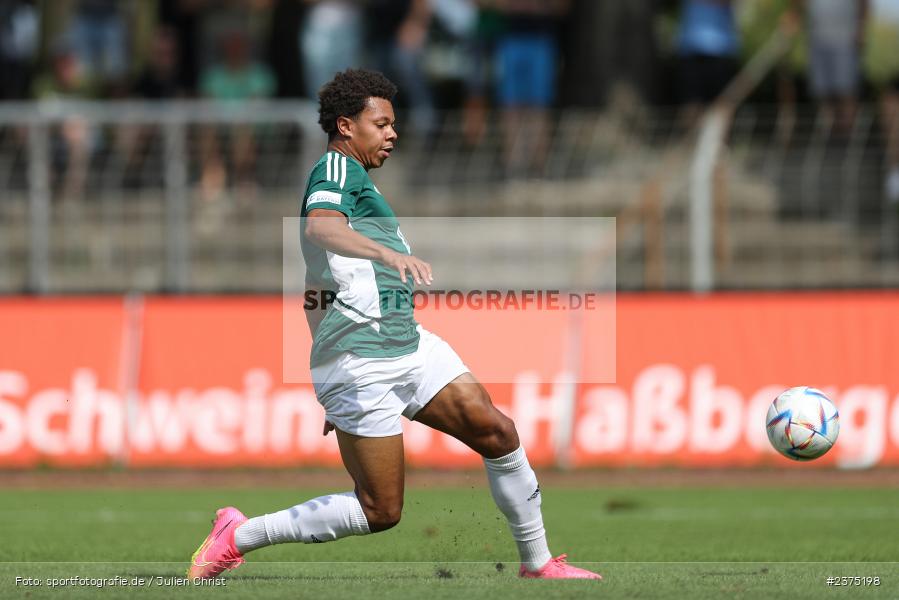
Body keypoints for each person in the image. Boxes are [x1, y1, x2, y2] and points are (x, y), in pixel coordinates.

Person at [186, 68, 601, 581]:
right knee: (380, 511)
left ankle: (538, 564)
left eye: (392, 124)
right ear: (345, 126)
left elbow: (315, 292)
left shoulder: (359, 182)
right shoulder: (334, 172)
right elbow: (320, 228)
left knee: (498, 431)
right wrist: (341, 361)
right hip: (363, 360)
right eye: (380, 124)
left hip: (406, 344)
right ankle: (240, 534)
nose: (392, 133)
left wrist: (326, 368)